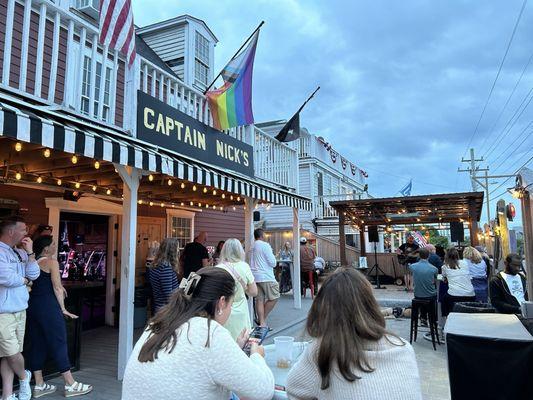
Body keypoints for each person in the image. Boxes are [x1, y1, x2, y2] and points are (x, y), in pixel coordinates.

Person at [122, 267, 274, 400]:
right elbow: (262, 390)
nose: (230, 310)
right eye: (231, 303)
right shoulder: (209, 332)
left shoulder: (159, 323)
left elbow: (192, 365)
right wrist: (256, 356)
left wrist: (235, 348)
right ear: (221, 302)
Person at [286, 268, 422, 400]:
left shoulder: (321, 351)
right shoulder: (405, 348)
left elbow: (293, 391)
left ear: (323, 310)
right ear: (371, 304)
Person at [27, 236, 92, 398]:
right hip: (49, 308)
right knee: (59, 341)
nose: (55, 246)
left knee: (37, 343)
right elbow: (56, 287)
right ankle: (70, 384)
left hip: (32, 308)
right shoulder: (51, 263)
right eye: (53, 244)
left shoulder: (31, 264)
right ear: (46, 249)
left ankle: (39, 384)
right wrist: (63, 309)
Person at [0, 216, 40, 400]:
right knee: (11, 352)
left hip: (20, 308)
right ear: (11, 231)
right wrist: (25, 281)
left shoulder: (21, 253)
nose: (27, 233)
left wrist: (31, 253)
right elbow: (6, 277)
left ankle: (7, 395)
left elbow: (34, 274)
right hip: (3, 311)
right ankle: (24, 377)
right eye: (23, 230)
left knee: (8, 355)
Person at [216, 238, 257, 340]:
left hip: (223, 311)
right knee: (242, 341)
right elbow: (254, 292)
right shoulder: (244, 266)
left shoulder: (218, 268)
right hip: (241, 312)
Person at [250, 229, 278, 327]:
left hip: (254, 276)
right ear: (262, 235)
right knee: (274, 297)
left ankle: (262, 323)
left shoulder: (251, 246)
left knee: (260, 300)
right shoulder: (265, 245)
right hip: (266, 276)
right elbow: (273, 263)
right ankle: (261, 319)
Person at [148, 238, 180, 313]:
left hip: (160, 307)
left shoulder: (156, 264)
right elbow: (169, 295)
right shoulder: (165, 267)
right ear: (172, 250)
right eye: (177, 248)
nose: (178, 251)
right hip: (166, 310)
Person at [441, 248, 475, 316]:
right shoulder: (465, 263)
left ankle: (447, 317)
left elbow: (444, 279)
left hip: (454, 295)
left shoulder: (445, 267)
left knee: (444, 299)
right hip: (470, 294)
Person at [408, 247, 438, 326]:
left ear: (419, 256)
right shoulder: (434, 269)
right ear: (428, 256)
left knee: (422, 296)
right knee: (432, 295)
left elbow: (411, 275)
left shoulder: (412, 267)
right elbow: (435, 281)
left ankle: (423, 318)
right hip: (430, 295)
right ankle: (433, 319)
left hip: (418, 294)